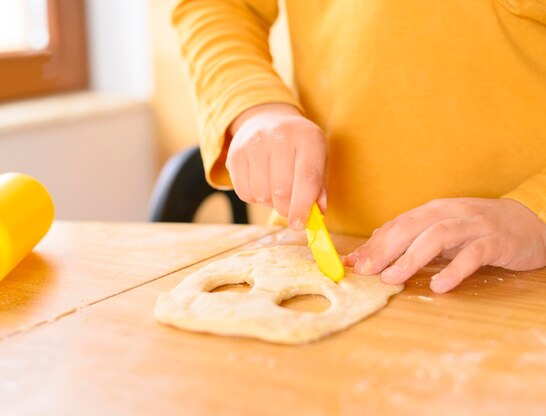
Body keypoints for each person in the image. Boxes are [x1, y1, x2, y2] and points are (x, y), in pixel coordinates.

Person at [172, 1, 546, 293]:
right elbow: (216, 5)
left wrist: (537, 210)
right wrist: (253, 104)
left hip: (522, 273)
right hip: (317, 251)